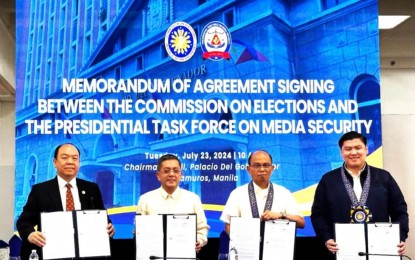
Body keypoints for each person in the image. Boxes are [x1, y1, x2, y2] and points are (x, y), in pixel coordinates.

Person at [311, 131, 409, 258]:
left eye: (358, 148)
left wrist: (399, 237)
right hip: (342, 250)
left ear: (366, 149)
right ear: (341, 152)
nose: (353, 153)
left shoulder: (384, 177)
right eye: (348, 149)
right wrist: (326, 238)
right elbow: (318, 214)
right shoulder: (328, 180)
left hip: (379, 249)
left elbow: (400, 211)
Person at [16, 143, 115, 260]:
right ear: (55, 162)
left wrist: (109, 227)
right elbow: (23, 222)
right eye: (64, 157)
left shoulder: (92, 189)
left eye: (75, 158)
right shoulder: (40, 190)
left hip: (86, 256)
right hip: (53, 255)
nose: (70, 162)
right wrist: (30, 234)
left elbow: (103, 220)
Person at [136, 154, 209, 253]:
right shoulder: (145, 200)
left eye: (175, 171)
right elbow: (139, 231)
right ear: (158, 175)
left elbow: (202, 228)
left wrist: (198, 241)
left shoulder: (193, 199)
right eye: (166, 171)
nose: (171, 174)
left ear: (180, 175)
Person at [220, 150, 305, 234]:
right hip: (246, 246)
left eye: (266, 165)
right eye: (257, 165)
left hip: (276, 245)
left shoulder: (284, 193)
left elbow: (301, 222)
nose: (262, 169)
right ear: (248, 169)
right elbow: (228, 225)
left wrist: (281, 216)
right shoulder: (237, 194)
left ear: (272, 168)